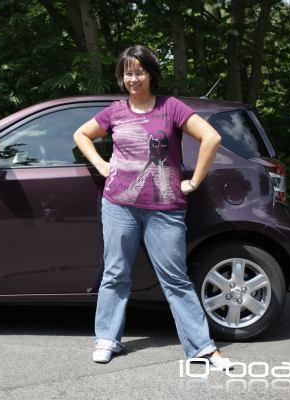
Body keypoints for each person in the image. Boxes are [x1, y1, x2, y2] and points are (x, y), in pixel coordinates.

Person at [73, 45, 233, 370]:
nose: (133, 78)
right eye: (127, 73)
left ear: (151, 74)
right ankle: (107, 339)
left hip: (165, 209)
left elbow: (211, 138)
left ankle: (202, 348)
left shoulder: (171, 107)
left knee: (175, 278)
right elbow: (82, 135)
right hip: (119, 205)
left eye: (139, 72)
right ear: (122, 77)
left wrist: (194, 181)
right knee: (115, 273)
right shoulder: (115, 111)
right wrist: (101, 164)